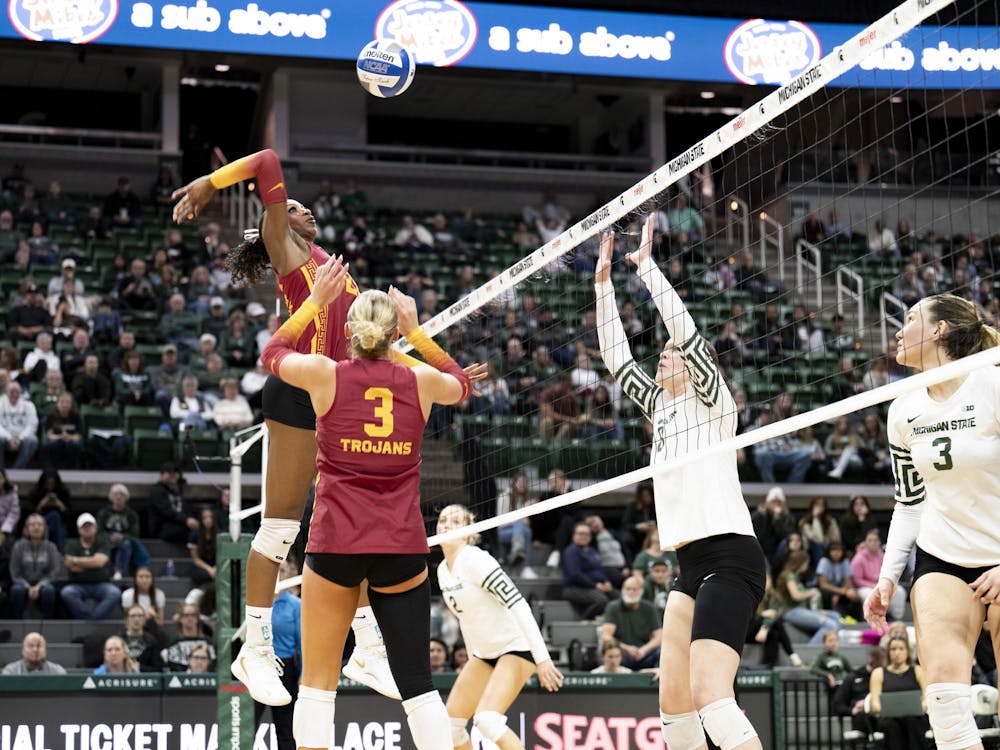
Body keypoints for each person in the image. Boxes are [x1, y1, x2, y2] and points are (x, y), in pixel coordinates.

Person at [172, 149, 481, 706]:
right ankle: (256, 647)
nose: (303, 208)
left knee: (350, 526)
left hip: (335, 396)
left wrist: (438, 365)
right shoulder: (288, 251)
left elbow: (372, 352)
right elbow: (265, 161)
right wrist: (208, 183)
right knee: (278, 529)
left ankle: (366, 648)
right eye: (292, 204)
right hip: (297, 388)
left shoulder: (331, 264)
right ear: (275, 221)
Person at [257, 255, 473, 750]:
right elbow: (459, 383)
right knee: (418, 685)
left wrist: (314, 303)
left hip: (336, 543)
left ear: (350, 332)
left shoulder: (324, 374)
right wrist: (415, 334)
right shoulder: (417, 381)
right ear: (392, 334)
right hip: (400, 545)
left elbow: (272, 351)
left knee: (316, 685)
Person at [595, 216, 766, 750]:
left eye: (670, 353)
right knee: (673, 706)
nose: (663, 354)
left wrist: (646, 269)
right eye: (662, 352)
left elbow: (685, 331)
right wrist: (603, 287)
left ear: (696, 366)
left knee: (711, 694)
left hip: (731, 557)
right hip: (689, 565)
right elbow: (616, 360)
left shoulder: (713, 403)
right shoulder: (661, 408)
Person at [864, 293, 1000, 750]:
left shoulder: (992, 386)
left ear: (939, 330)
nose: (898, 331)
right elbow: (910, 502)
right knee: (942, 696)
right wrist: (887, 578)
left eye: (910, 319)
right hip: (943, 555)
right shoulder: (902, 409)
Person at [436, 504, 562, 750]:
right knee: (450, 727)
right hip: (485, 654)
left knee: (487, 720)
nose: (446, 525)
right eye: (442, 520)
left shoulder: (475, 559)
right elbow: (466, 619)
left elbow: (519, 605)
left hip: (516, 647)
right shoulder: (442, 570)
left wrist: (543, 659)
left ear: (468, 531)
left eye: (454, 521)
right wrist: (473, 657)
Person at [254, 558, 301, 750]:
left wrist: (304, 675)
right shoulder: (255, 601)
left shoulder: (296, 605)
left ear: (289, 573)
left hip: (285, 671)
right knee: (246, 726)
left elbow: (303, 643)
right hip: (257, 668)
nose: (278, 575)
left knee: (285, 729)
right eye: (274, 570)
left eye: (282, 570)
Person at [868, 636, 929, 749]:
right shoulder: (879, 673)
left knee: (913, 723)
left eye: (901, 649)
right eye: (893, 649)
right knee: (891, 726)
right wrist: (887, 709)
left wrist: (920, 707)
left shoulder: (918, 671)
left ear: (908, 652)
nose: (897, 653)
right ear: (888, 652)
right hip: (889, 719)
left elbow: (927, 699)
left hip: (915, 717)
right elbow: (875, 704)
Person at [61, 512, 121, 620]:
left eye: (90, 526)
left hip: (101, 583)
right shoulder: (71, 544)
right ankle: (87, 618)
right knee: (67, 592)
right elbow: (70, 566)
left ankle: (93, 619)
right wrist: (93, 565)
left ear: (95, 528)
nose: (87, 529)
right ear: (79, 530)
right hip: (78, 585)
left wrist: (76, 560)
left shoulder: (102, 541)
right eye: (84, 527)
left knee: (114, 593)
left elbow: (99, 562)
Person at [600, 576, 662, 670]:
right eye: (628, 589)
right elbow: (606, 636)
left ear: (641, 591)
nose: (631, 592)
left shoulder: (649, 608)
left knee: (662, 651)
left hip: (643, 652)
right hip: (622, 652)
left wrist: (644, 650)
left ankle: (657, 676)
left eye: (634, 589)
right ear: (622, 590)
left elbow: (658, 636)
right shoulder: (613, 607)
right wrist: (627, 648)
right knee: (609, 651)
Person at [8, 513, 63, 619]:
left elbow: (54, 571)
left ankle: (48, 620)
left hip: (44, 584)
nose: (36, 527)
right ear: (27, 528)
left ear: (44, 528)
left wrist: (39, 586)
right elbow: (15, 572)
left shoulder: (51, 547)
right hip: (22, 583)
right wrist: (27, 586)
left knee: (49, 591)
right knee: (16, 590)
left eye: (39, 524)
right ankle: (17, 620)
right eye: (32, 525)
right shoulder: (18, 546)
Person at [561, 521, 614, 620]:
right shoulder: (571, 551)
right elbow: (575, 575)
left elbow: (600, 570)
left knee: (618, 596)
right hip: (574, 588)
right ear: (574, 535)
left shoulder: (592, 551)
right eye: (581, 533)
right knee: (601, 600)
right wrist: (595, 585)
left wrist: (606, 582)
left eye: (587, 534)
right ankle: (584, 621)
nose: (584, 536)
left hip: (593, 587)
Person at [96, 483, 149, 581]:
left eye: (122, 494)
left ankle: (120, 572)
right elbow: (98, 531)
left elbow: (135, 533)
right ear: (111, 497)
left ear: (126, 498)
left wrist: (122, 537)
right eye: (116, 494)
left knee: (126, 544)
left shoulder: (131, 514)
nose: (119, 497)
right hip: (107, 541)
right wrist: (110, 537)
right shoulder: (104, 513)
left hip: (126, 541)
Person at [854, 528, 907, 621]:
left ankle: (896, 618)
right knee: (868, 593)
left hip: (882, 584)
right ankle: (872, 619)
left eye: (875, 540)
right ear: (865, 543)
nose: (873, 543)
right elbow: (857, 580)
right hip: (865, 587)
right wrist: (872, 586)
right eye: (870, 540)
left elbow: (891, 572)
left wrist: (888, 583)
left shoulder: (884, 556)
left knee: (900, 591)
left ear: (879, 542)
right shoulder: (859, 558)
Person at [834, 647, 887, 736]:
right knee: (863, 713)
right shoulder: (853, 677)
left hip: (882, 716)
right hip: (862, 719)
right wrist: (851, 710)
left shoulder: (887, 676)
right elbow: (838, 703)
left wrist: (869, 702)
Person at [1, 632, 66, 675]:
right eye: (30, 646)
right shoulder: (10, 671)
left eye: (39, 646)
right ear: (23, 651)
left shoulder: (57, 671)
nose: (35, 650)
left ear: (45, 651)